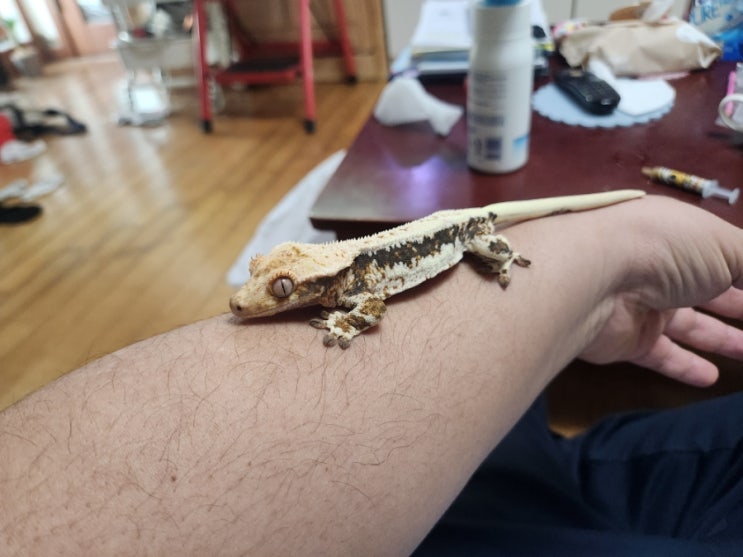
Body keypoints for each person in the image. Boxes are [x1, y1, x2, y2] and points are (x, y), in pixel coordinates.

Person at [2, 195, 743, 556]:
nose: (248, 302)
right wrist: (606, 257)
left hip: (462, 233)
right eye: (269, 280)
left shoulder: (357, 284)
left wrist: (581, 257)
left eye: (280, 291)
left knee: (491, 256)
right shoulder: (330, 274)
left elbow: (373, 308)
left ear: (317, 283)